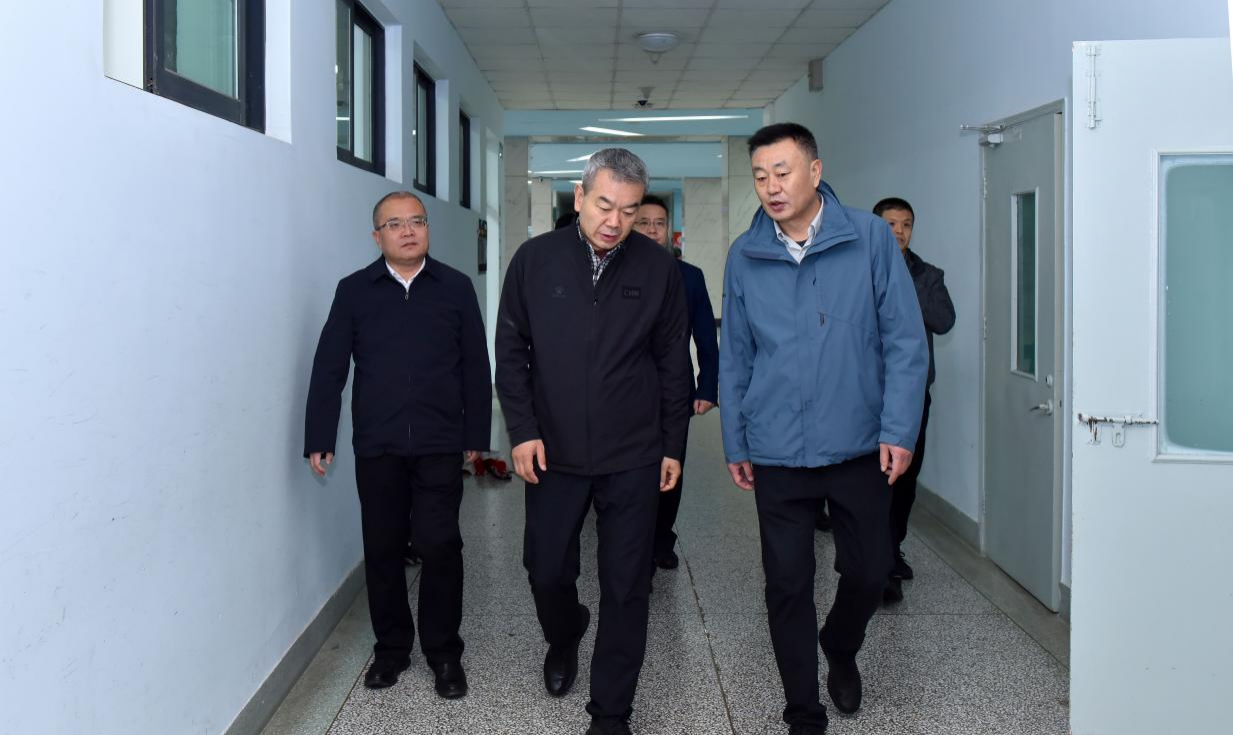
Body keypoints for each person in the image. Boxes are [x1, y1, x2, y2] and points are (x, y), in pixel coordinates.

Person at [719, 123, 928, 735]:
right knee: (787, 585)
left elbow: (905, 340)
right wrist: (736, 438)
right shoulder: (745, 254)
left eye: (782, 172)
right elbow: (735, 357)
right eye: (760, 176)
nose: (771, 186)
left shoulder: (869, 238)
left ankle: (840, 644)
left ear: (814, 171)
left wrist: (899, 430)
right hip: (777, 449)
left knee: (870, 570)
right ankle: (803, 711)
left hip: (858, 443)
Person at [495, 149, 691, 735]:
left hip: (633, 453)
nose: (615, 221)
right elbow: (510, 351)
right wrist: (522, 431)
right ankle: (565, 633)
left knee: (627, 585)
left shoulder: (658, 269)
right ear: (579, 197)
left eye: (629, 211)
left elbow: (673, 364)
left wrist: (673, 446)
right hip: (552, 451)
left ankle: (611, 713)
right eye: (604, 205)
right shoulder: (535, 260)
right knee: (545, 569)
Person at [303, 191, 491, 699]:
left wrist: (476, 434)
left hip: (439, 441)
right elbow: (330, 366)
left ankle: (444, 652)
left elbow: (476, 365)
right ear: (377, 236)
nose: (408, 231)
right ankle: (391, 649)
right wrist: (320, 435)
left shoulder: (455, 287)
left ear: (427, 228)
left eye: (417, 221)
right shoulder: (354, 291)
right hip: (378, 443)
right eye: (395, 224)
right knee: (383, 547)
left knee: (440, 544)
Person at [872, 197, 956, 603]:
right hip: (868, 395)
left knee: (904, 481)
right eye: (890, 224)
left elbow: (944, 320)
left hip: (912, 396)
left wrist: (906, 283)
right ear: (876, 228)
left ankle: (891, 548)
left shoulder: (927, 276)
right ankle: (881, 562)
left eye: (905, 224)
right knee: (875, 482)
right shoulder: (859, 270)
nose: (899, 232)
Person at [633, 195, 719, 571]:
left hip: (675, 389)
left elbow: (706, 337)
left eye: (659, 223)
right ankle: (634, 543)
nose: (653, 230)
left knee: (671, 465)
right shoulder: (617, 272)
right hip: (626, 391)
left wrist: (708, 385)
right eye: (644, 222)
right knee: (632, 471)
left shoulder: (690, 277)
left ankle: (661, 540)